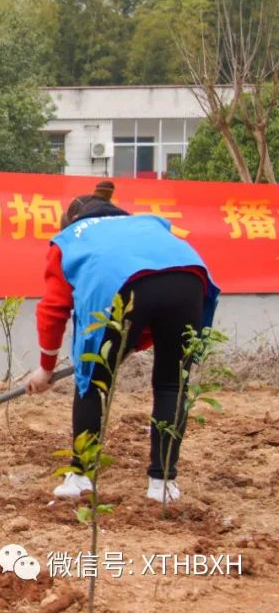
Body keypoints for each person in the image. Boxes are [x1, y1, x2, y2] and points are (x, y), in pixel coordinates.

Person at [24, 181, 220, 503]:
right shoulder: (146, 224)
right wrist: (126, 344)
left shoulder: (69, 239)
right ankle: (162, 485)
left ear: (71, 220)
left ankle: (81, 477)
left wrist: (46, 368)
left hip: (124, 284)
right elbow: (156, 290)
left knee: (92, 380)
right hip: (189, 278)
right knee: (172, 384)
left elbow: (53, 309)